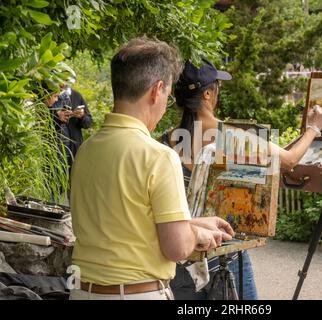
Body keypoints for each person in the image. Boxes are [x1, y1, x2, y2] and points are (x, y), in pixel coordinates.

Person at [69, 38, 234, 300]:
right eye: (167, 96)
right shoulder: (158, 157)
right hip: (136, 293)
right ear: (157, 90)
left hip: (82, 291)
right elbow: (177, 247)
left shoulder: (87, 150)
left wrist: (191, 222)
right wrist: (197, 233)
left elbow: (125, 223)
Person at [162, 59, 322, 300]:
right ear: (207, 94)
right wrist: (314, 128)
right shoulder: (230, 134)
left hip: (184, 257)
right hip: (226, 252)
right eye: (217, 87)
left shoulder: (166, 141)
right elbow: (289, 160)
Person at [53, 74, 93, 172]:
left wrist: (82, 116)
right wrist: (57, 118)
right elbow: (42, 120)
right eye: (62, 80)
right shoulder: (50, 96)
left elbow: (88, 123)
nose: (65, 84)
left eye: (67, 81)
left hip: (73, 148)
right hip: (54, 149)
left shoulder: (76, 96)